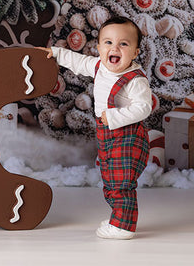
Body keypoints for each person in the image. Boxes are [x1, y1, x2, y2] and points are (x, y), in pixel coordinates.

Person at [38, 15, 152, 239]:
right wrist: (57, 53)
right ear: (99, 47)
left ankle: (123, 225)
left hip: (127, 136)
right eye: (108, 42)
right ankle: (118, 217)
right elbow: (79, 63)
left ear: (136, 52)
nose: (115, 48)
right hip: (108, 134)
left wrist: (115, 116)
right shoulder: (99, 66)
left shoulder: (135, 80)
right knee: (110, 177)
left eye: (124, 44)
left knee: (121, 180)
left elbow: (144, 108)